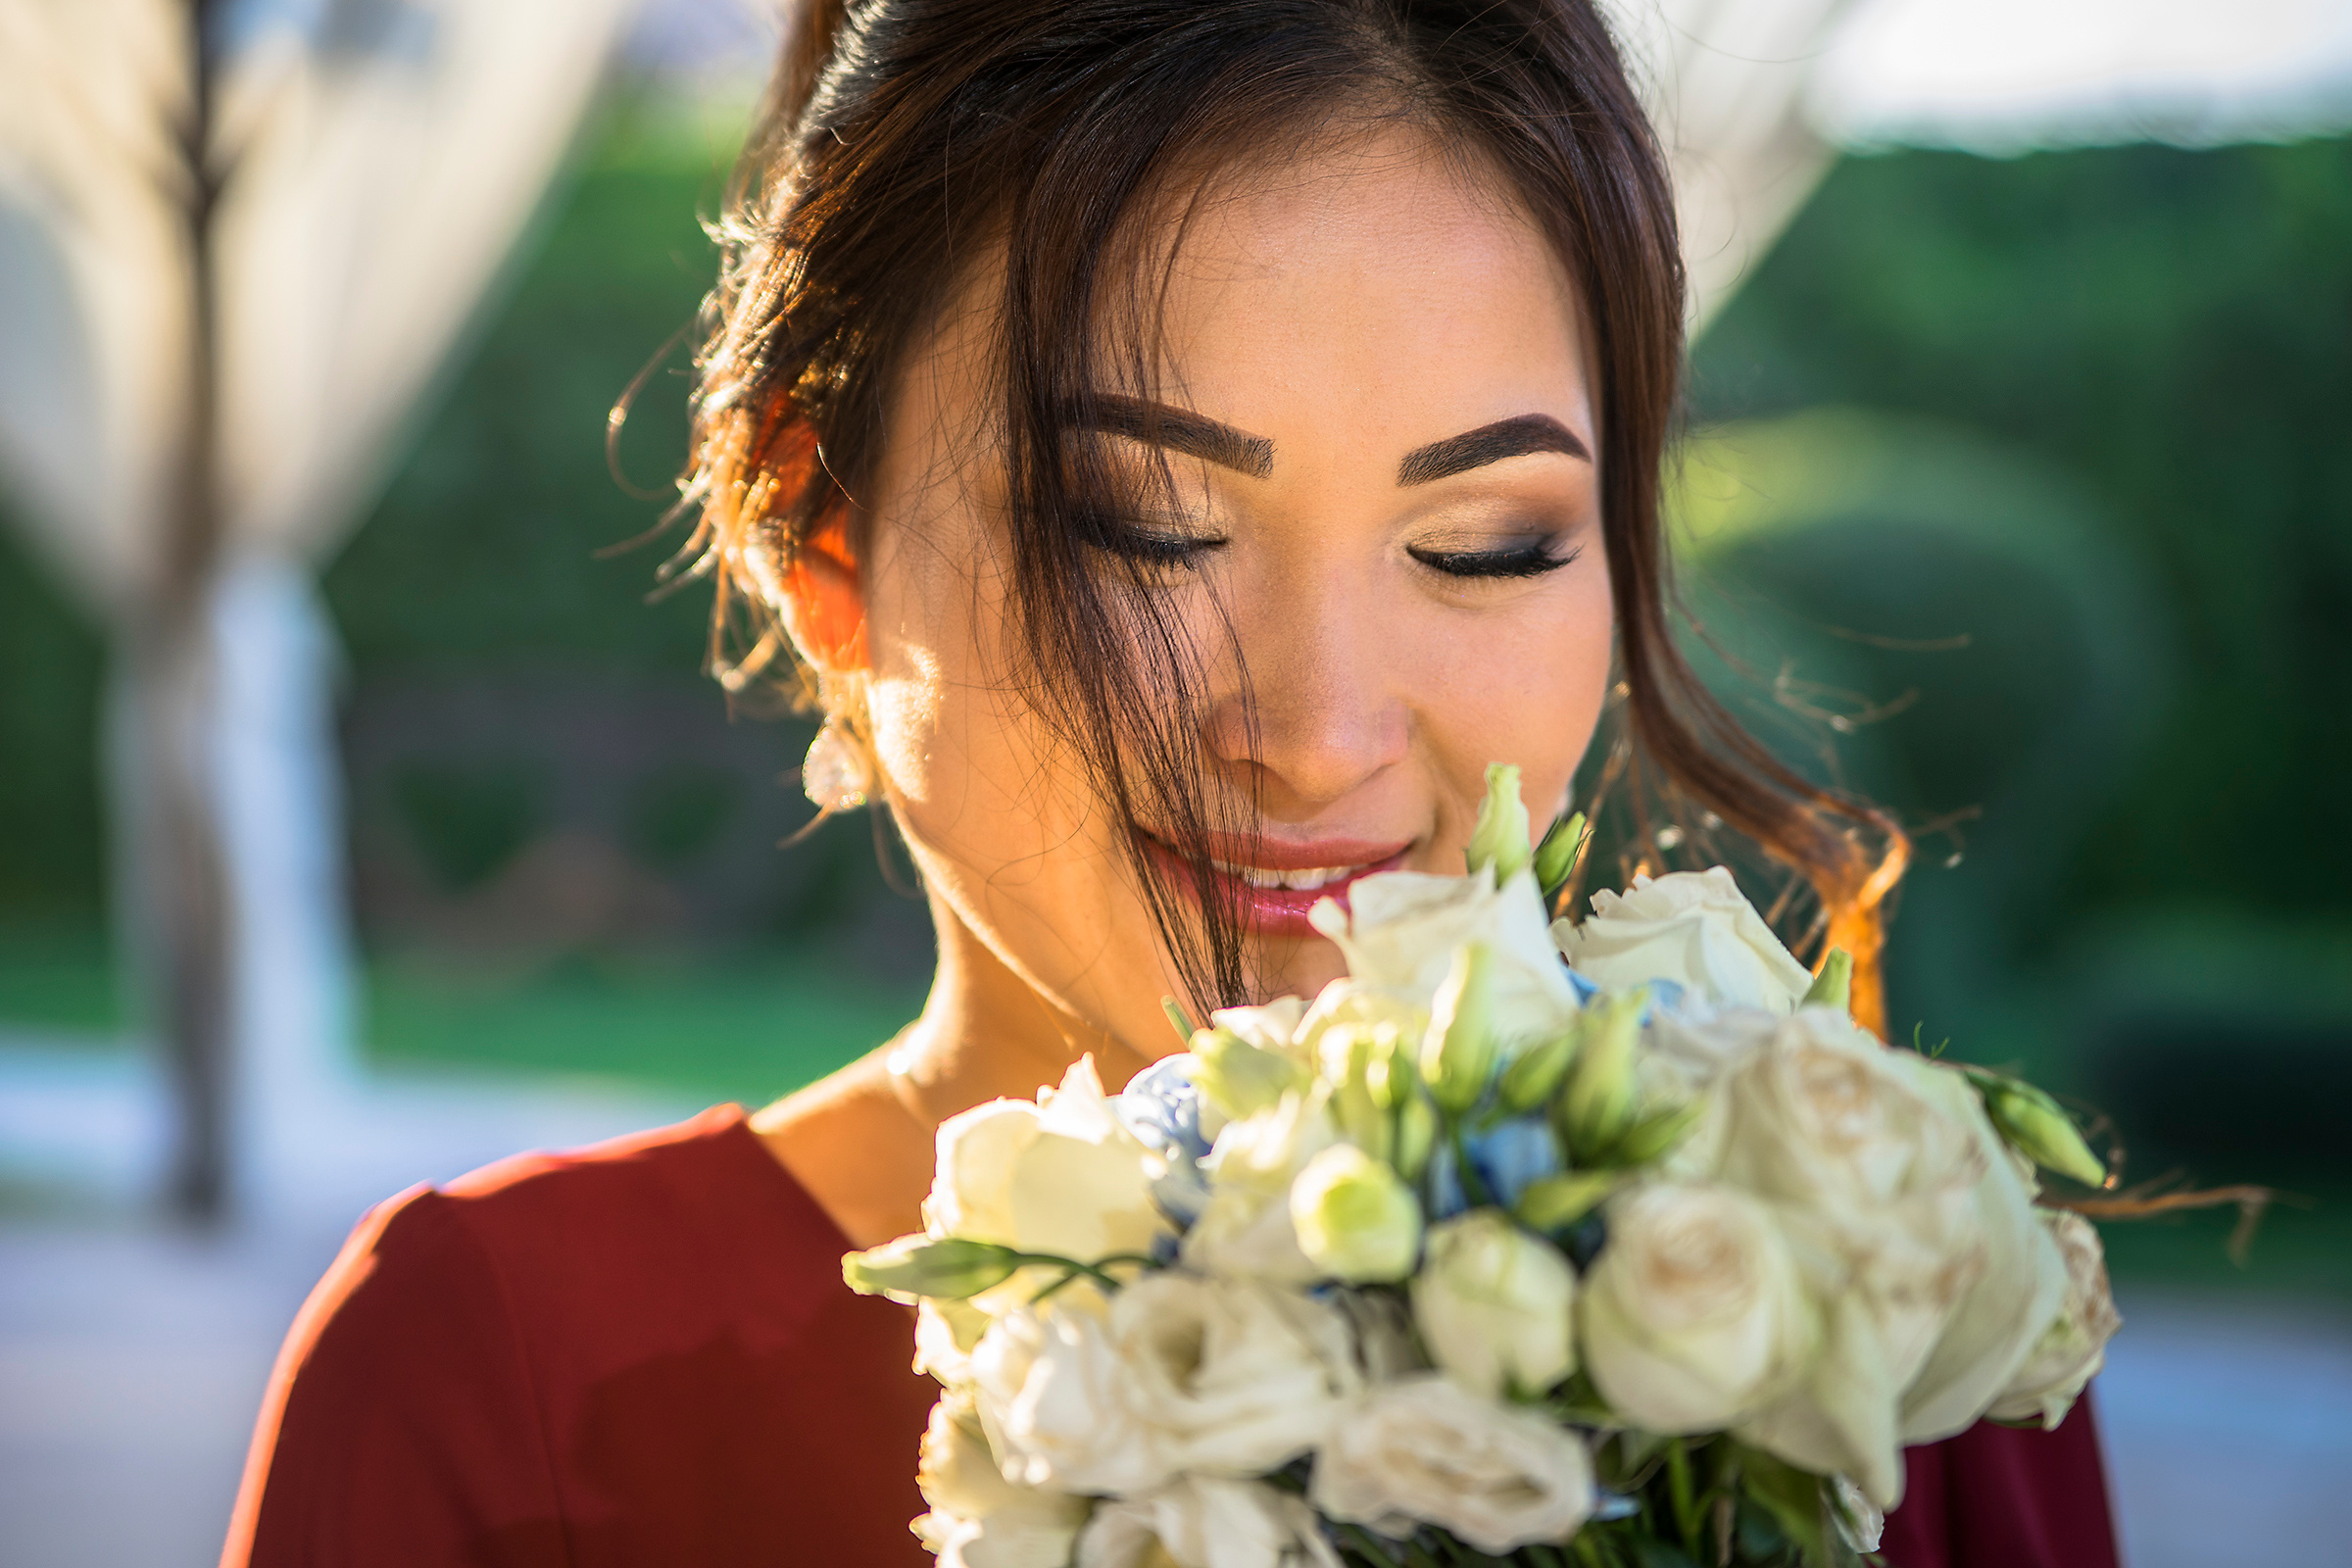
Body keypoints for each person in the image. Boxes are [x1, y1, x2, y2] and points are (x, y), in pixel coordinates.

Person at [221, 1, 2121, 1564]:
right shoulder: (504, 1378)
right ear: (824, 540)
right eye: (1141, 527)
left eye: (1484, 543)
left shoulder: (1860, 1325)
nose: (1315, 725)